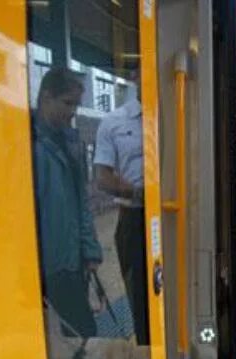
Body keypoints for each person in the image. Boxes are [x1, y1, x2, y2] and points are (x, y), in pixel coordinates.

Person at [33, 67, 103, 338]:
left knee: (80, 339)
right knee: (78, 340)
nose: (73, 111)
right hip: (48, 266)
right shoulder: (29, 144)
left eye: (76, 104)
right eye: (67, 103)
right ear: (46, 97)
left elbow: (81, 201)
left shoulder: (68, 143)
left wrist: (91, 250)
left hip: (71, 263)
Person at [93, 79, 149, 345]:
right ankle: (147, 353)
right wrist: (137, 193)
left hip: (180, 217)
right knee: (139, 296)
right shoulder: (114, 122)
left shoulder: (184, 113)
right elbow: (102, 177)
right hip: (134, 220)